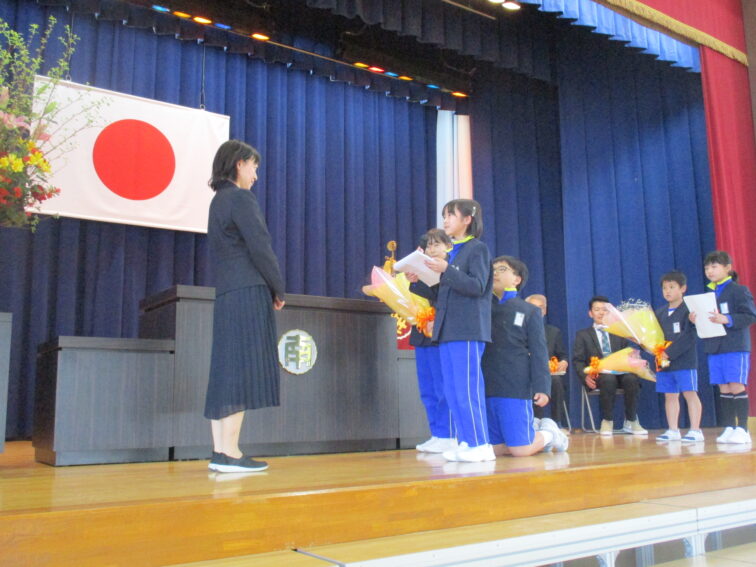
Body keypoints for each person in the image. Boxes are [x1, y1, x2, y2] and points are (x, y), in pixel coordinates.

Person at [204, 140, 286, 473]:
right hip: (249, 290)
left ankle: (221, 451)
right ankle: (231, 452)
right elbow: (260, 246)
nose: (255, 174)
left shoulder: (217, 202)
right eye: (253, 166)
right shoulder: (240, 198)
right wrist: (278, 287)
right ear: (239, 164)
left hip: (226, 292)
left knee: (225, 368)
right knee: (241, 368)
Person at [425, 199, 494, 463]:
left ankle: (480, 443)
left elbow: (477, 286)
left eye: (450, 215)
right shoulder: (452, 253)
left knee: (467, 388)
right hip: (448, 329)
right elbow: (446, 290)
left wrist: (446, 270)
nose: (445, 221)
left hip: (467, 329)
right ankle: (466, 440)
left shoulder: (476, 249)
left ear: (467, 219)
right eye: (444, 215)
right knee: (452, 389)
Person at [483, 257, 568, 457]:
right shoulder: (482, 307)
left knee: (520, 451)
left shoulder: (528, 311)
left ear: (517, 279)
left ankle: (549, 433)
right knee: (493, 449)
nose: (495, 273)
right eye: (492, 269)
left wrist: (542, 387)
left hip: (515, 386)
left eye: (502, 269)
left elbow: (539, 352)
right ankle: (532, 432)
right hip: (487, 384)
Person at [690, 251, 756, 445]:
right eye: (707, 267)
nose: (710, 271)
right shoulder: (709, 293)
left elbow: (750, 316)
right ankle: (729, 427)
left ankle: (743, 429)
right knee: (723, 387)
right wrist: (695, 320)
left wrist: (727, 319)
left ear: (728, 268)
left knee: (736, 385)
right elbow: (706, 321)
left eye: (714, 266)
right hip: (714, 346)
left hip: (734, 346)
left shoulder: (738, 290)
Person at [407, 229, 457, 454]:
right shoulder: (425, 269)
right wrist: (413, 280)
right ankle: (437, 433)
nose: (432, 249)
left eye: (437, 244)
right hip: (422, 331)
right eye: (428, 246)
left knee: (442, 387)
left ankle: (448, 433)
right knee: (427, 388)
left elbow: (446, 297)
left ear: (448, 246)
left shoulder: (455, 269)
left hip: (442, 332)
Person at [572, 296, 647, 436]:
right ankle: (607, 421)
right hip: (600, 375)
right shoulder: (583, 335)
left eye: (605, 310)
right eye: (597, 310)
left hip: (621, 372)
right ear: (590, 313)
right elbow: (578, 360)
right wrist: (584, 376)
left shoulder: (619, 332)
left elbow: (628, 352)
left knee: (631, 378)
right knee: (608, 379)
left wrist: (634, 357)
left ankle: (631, 420)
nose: (601, 313)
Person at [654, 271, 704, 443]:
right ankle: (673, 430)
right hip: (664, 362)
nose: (667, 291)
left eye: (672, 287)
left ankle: (695, 430)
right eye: (664, 288)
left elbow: (690, 336)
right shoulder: (659, 313)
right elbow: (654, 336)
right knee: (670, 395)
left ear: (683, 288)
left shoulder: (689, 311)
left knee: (690, 393)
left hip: (684, 361)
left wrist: (671, 351)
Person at [525, 294, 569, 430]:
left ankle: (557, 423)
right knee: (532, 383)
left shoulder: (553, 332)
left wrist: (564, 362)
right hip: (525, 372)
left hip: (547, 373)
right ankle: (534, 422)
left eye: (541, 308)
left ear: (545, 311)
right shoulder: (518, 330)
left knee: (555, 382)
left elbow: (562, 355)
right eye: (532, 308)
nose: (537, 311)